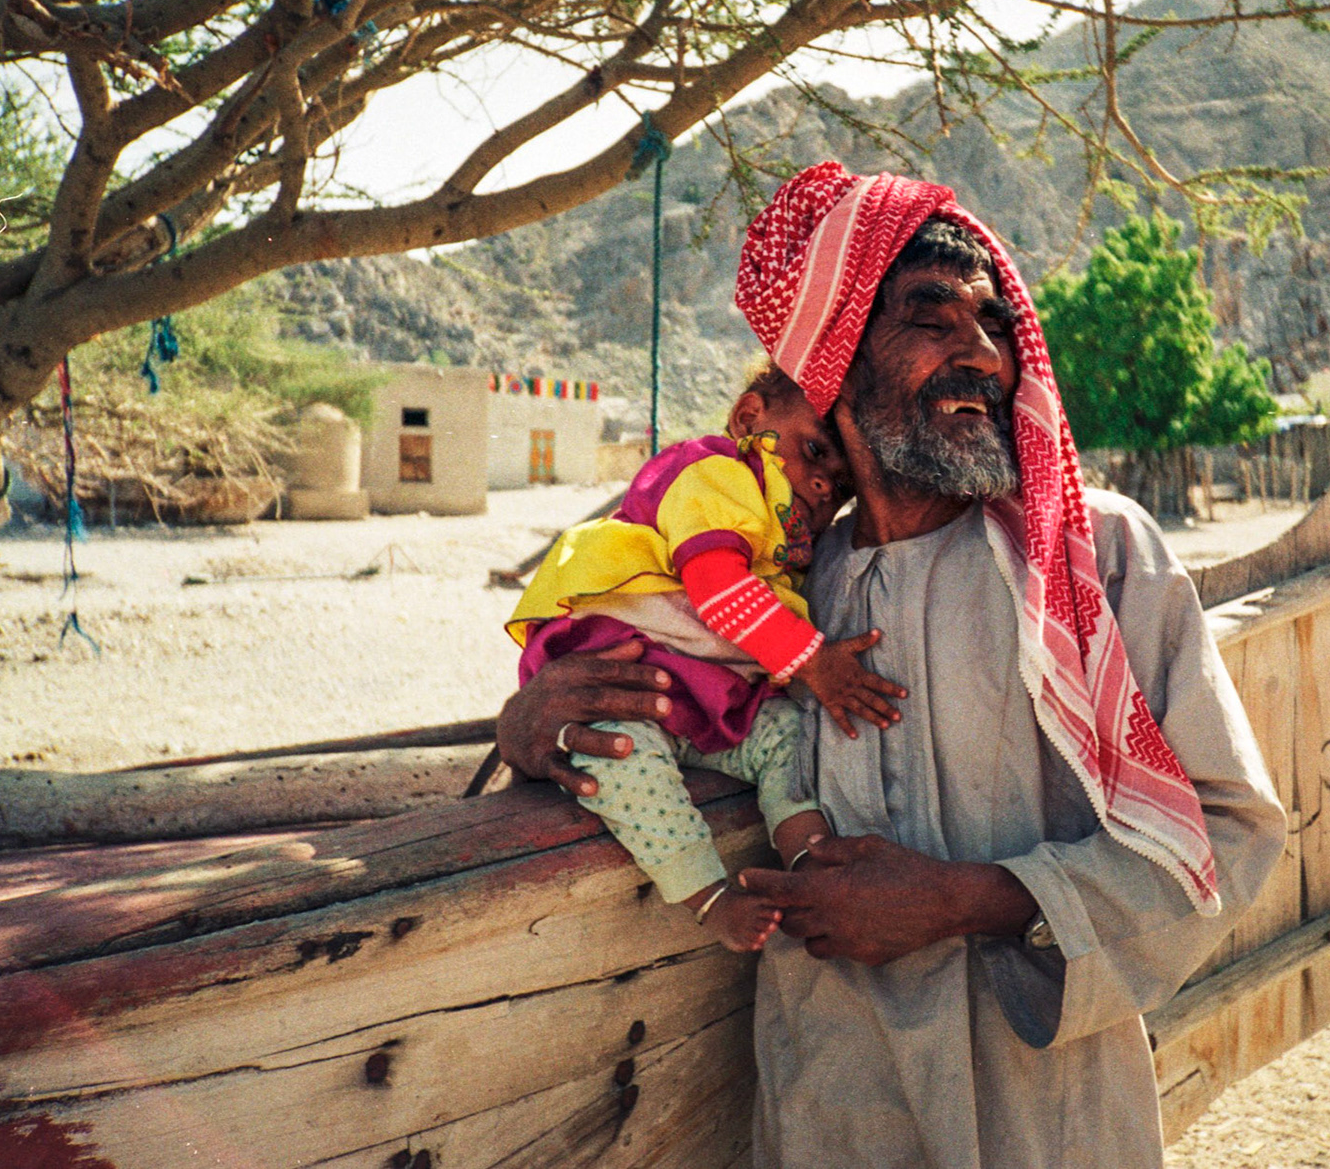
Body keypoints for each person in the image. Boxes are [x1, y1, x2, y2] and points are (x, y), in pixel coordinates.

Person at [496, 163, 1287, 1168]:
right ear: (835, 364)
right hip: (829, 1105)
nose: (984, 356)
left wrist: (965, 899)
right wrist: (528, 730)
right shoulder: (779, 590)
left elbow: (1228, 835)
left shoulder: (1091, 557)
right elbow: (647, 719)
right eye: (931, 319)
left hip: (1042, 1118)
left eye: (994, 324)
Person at [505, 365, 906, 952]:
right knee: (620, 760)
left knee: (791, 738)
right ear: (748, 417)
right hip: (625, 677)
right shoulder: (715, 473)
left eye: (841, 486)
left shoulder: (786, 538)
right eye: (813, 451)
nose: (824, 484)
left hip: (702, 695)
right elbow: (717, 589)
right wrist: (816, 663)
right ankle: (707, 897)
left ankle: (809, 858)